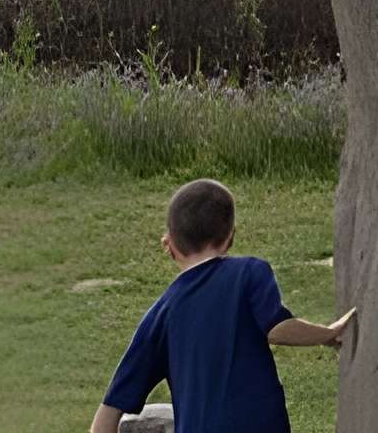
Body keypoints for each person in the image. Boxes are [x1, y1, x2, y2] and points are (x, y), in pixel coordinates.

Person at [86, 176, 353, 433]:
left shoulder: (161, 314)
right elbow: (278, 329)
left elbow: (106, 417)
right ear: (231, 237)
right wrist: (327, 333)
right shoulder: (249, 272)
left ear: (169, 245)